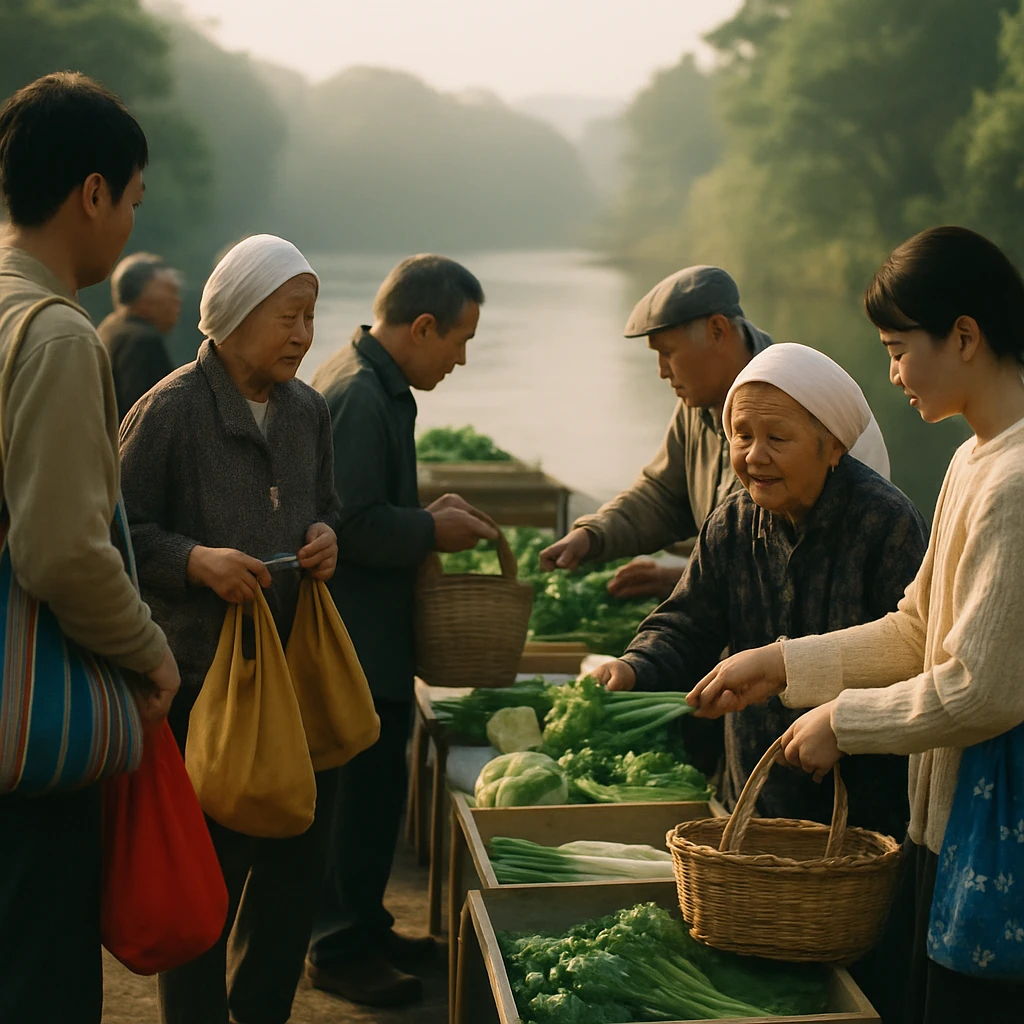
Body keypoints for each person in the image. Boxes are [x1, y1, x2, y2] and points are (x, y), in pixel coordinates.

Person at [687, 227, 1024, 1023]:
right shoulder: (974, 459)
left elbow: (988, 690)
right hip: (945, 822)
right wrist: (777, 663)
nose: (894, 373)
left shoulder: (1013, 483)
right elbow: (916, 630)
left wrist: (846, 721)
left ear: (965, 337)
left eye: (899, 348)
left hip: (997, 826)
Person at [119, 233, 340, 1024]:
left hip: (293, 680)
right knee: (206, 880)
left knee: (295, 868)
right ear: (235, 314)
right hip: (201, 684)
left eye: (310, 317)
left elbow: (326, 507)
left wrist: (325, 538)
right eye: (288, 317)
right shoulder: (171, 409)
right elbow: (115, 535)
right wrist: (195, 560)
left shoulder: (309, 411)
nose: (302, 335)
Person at [0, 73, 179, 1024]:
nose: (128, 226)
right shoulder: (57, 334)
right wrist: (150, 652)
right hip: (27, 753)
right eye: (134, 200)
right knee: (42, 983)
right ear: (94, 192)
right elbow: (64, 551)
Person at [595, 342, 925, 839]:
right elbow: (687, 622)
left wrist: (845, 726)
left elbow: (911, 653)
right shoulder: (732, 521)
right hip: (751, 794)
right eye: (741, 435)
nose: (755, 456)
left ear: (833, 445)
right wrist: (634, 666)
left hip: (861, 811)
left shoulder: (887, 524)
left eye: (777, 437)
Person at [308, 254, 496, 1007]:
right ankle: (336, 947)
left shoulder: (380, 382)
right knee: (350, 797)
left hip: (374, 636)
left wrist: (423, 517)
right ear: (421, 327)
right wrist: (428, 529)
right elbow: (346, 528)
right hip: (352, 639)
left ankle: (367, 922)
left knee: (377, 788)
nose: (460, 358)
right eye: (460, 340)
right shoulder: (358, 394)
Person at [541, 265, 781, 601]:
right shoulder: (698, 403)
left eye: (668, 353)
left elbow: (787, 556)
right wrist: (592, 535)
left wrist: (682, 580)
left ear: (717, 331)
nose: (661, 372)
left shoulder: (787, 403)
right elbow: (664, 496)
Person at [97, 251, 181, 421]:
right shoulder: (143, 343)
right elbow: (154, 417)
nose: (177, 301)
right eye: (171, 292)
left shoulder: (108, 328)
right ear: (144, 295)